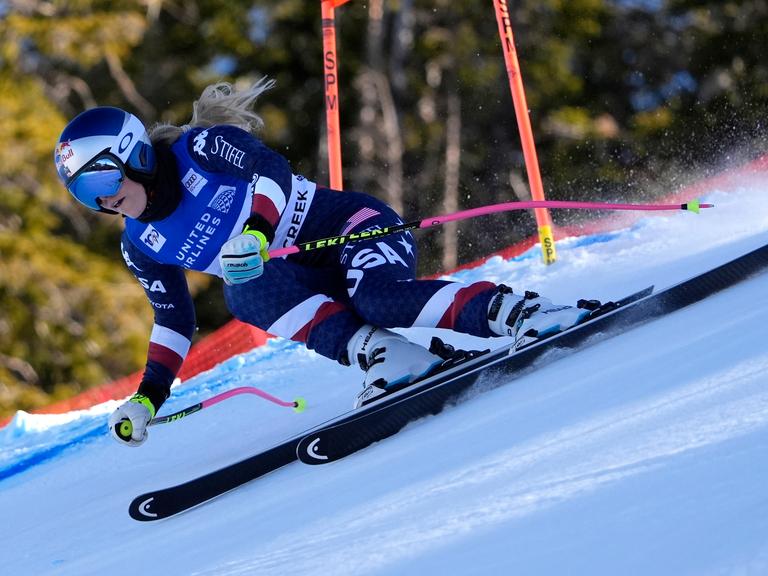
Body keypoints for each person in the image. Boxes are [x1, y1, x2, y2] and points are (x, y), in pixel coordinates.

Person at [54, 79, 597, 446]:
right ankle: (389, 357)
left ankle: (523, 312)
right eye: (84, 194)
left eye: (102, 180)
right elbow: (174, 321)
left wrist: (256, 231)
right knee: (242, 292)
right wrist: (147, 397)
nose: (102, 201)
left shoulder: (201, 148)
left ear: (136, 155)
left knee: (379, 297)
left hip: (347, 227)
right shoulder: (139, 242)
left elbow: (272, 173)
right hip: (304, 279)